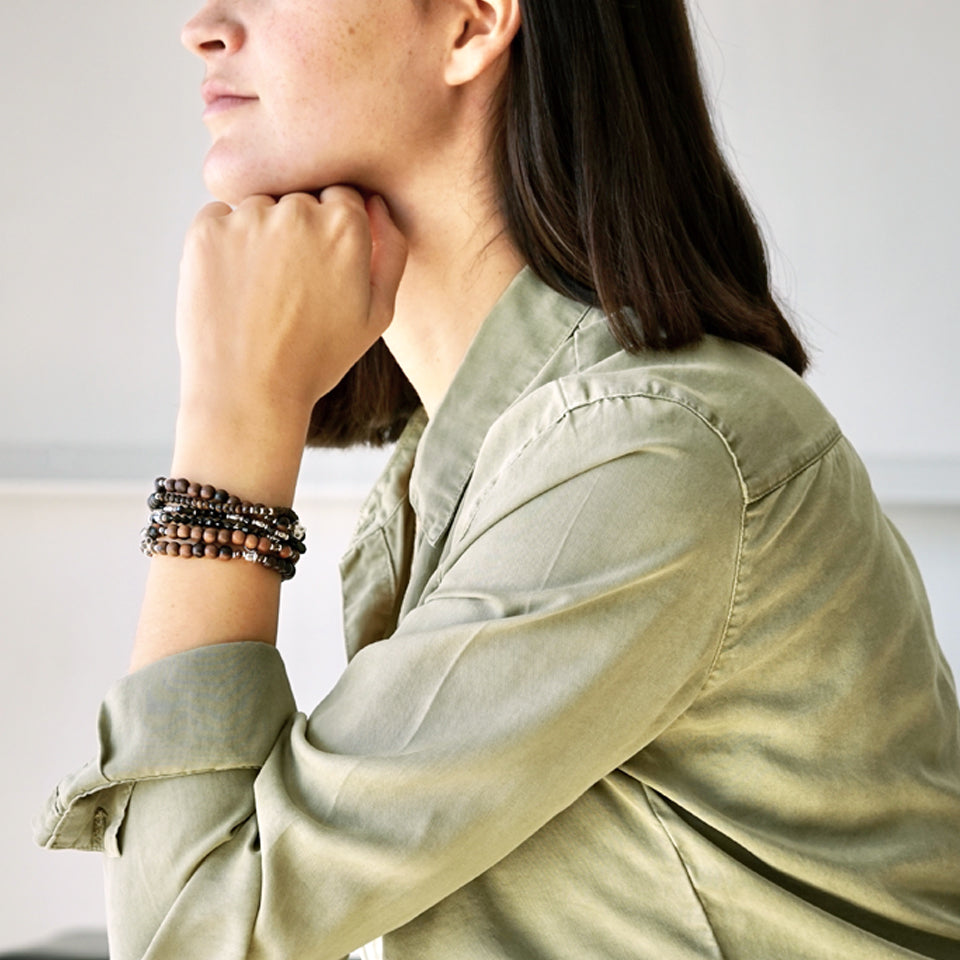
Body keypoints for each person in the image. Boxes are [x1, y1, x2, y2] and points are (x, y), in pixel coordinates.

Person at [35, 1, 960, 958]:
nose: (206, 24)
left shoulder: (644, 459)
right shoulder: (479, 463)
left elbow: (186, 938)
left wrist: (232, 415)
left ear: (475, 22)